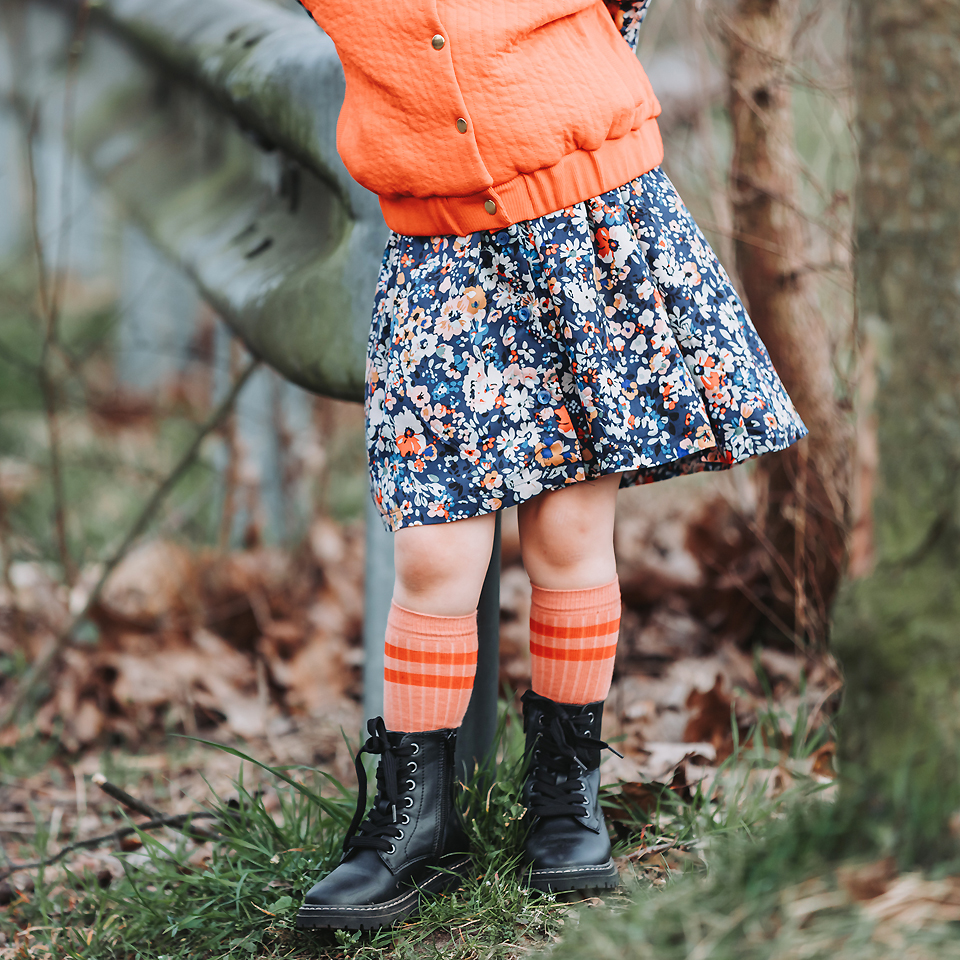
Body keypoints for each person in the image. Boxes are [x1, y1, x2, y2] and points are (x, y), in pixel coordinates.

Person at [294, 0, 806, 931]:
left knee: (568, 533)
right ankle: (416, 819)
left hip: (586, 222)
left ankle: (565, 796)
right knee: (434, 552)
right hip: (439, 258)